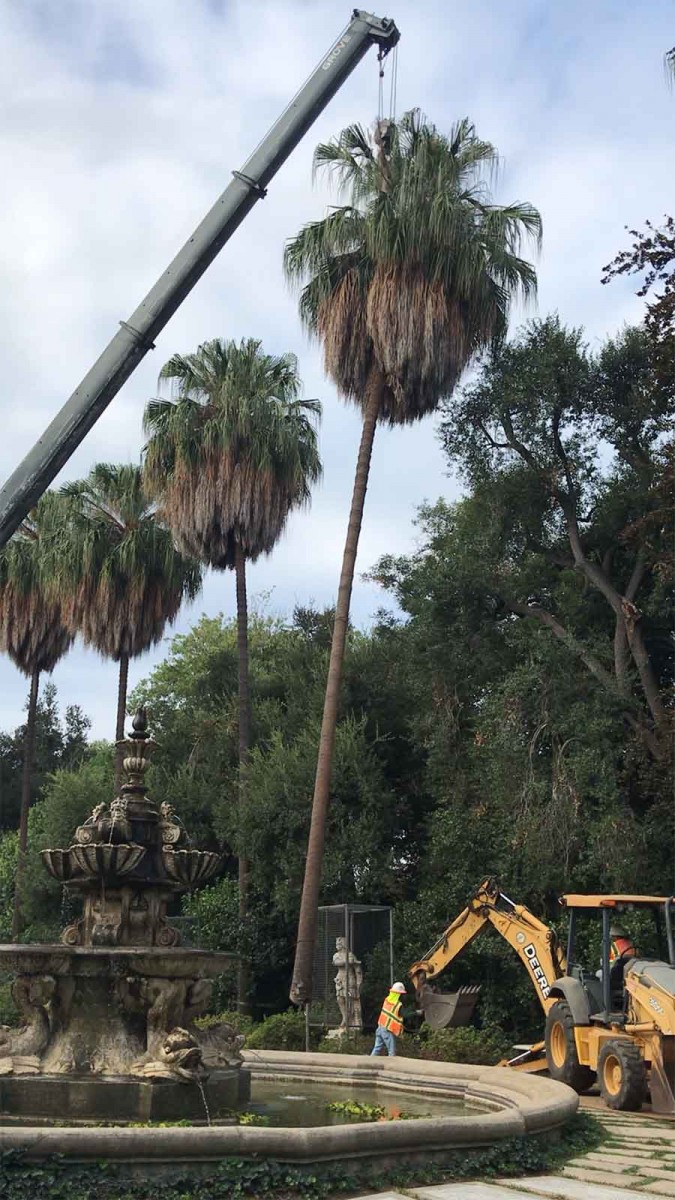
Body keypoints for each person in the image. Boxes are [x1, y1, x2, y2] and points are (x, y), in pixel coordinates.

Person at [370, 981, 406, 1056]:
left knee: (377, 1048)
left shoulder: (386, 1000)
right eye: (401, 994)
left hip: (380, 1027)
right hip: (387, 1030)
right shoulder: (398, 1005)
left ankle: (368, 1063)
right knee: (391, 1052)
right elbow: (404, 1014)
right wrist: (416, 1013)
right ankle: (391, 1067)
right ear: (398, 994)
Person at [609, 924, 636, 1003]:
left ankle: (607, 1003)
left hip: (618, 974)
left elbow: (610, 964)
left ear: (614, 936)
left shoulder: (613, 946)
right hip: (631, 973)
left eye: (612, 936)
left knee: (599, 974)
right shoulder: (631, 944)